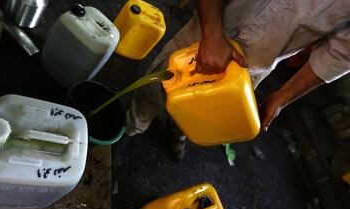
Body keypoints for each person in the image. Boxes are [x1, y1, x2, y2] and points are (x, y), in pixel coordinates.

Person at [126, 0, 350, 160]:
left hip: (253, 65)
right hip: (212, 26)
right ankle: (133, 125)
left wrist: (282, 98)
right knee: (158, 84)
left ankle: (179, 131)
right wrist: (212, 35)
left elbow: (340, 53)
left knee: (202, 109)